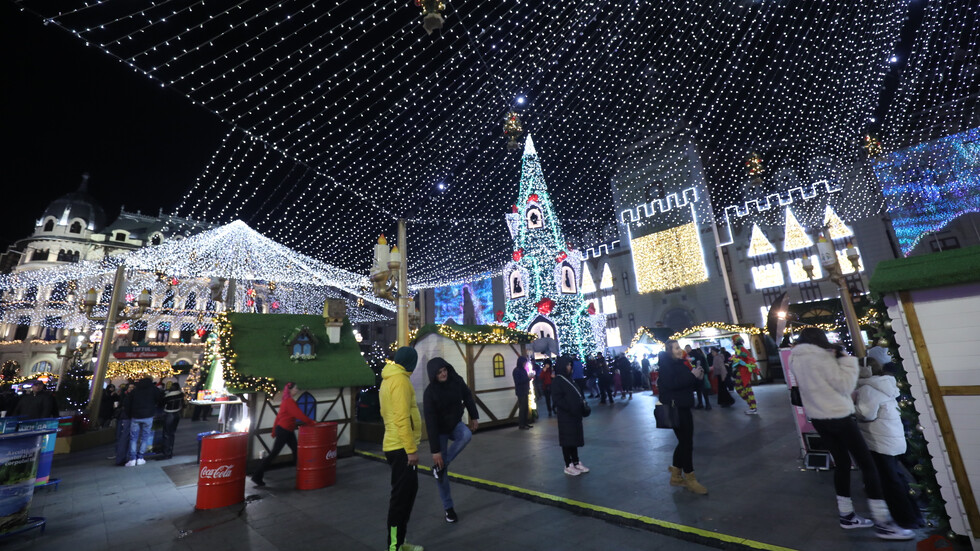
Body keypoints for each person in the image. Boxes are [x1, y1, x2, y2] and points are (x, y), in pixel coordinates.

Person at [790, 328, 913, 540]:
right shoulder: (822, 358)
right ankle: (884, 523)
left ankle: (846, 514)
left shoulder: (796, 358)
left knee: (842, 464)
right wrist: (846, 361)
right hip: (839, 417)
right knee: (868, 465)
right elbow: (845, 386)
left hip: (819, 419)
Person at [855, 351, 924, 529]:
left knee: (890, 482)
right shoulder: (886, 384)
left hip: (879, 442)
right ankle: (914, 515)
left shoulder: (867, 389)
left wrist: (851, 407)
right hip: (893, 438)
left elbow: (866, 414)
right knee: (898, 478)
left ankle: (904, 519)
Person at [423, 357, 479, 524]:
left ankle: (441, 466)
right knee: (442, 474)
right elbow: (431, 423)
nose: (443, 374)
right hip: (439, 431)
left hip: (455, 424)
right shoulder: (429, 393)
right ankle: (449, 508)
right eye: (439, 372)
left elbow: (468, 396)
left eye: (444, 370)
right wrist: (435, 452)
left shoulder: (456, 380)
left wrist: (474, 416)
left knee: (466, 435)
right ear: (434, 375)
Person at [380, 347, 424, 551]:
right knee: (401, 500)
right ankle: (395, 546)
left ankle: (399, 543)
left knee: (406, 494)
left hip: (395, 445)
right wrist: (410, 449)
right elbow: (401, 417)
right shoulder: (400, 381)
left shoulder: (390, 378)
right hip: (400, 447)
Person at [658, 340, 707, 495]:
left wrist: (697, 378)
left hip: (684, 406)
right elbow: (672, 384)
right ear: (669, 351)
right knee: (687, 443)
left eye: (679, 347)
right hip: (675, 408)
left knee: (684, 442)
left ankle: (676, 476)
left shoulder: (680, 363)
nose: (680, 350)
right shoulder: (666, 365)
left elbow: (687, 384)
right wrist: (691, 376)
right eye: (676, 348)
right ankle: (690, 478)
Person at [251, 381, 316, 486]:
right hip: (285, 430)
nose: (297, 390)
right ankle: (257, 476)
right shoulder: (289, 402)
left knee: (296, 450)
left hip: (285, 429)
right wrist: (311, 421)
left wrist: (274, 430)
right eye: (295, 388)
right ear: (290, 390)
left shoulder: (286, 401)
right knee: (275, 453)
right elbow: (299, 414)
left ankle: (302, 472)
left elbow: (279, 417)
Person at [551, 356, 589, 476]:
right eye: (567, 365)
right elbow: (557, 399)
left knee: (573, 439)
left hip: (574, 415)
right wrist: (570, 407)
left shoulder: (569, 379)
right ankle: (568, 465)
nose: (570, 367)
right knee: (567, 440)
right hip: (566, 416)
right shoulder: (558, 380)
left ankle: (576, 461)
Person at [124, 376, 163, 466]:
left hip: (135, 417)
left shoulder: (135, 390)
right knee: (145, 437)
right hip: (148, 416)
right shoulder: (154, 389)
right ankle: (140, 457)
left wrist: (130, 414)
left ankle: (132, 459)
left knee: (133, 438)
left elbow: (127, 403)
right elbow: (160, 399)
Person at [731, 336, 760, 414]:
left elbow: (745, 357)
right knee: (743, 388)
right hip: (742, 371)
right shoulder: (740, 349)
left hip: (743, 371)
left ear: (735, 341)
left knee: (745, 388)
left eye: (732, 341)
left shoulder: (741, 349)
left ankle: (752, 405)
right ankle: (752, 402)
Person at [160, 381, 184, 460]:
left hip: (169, 414)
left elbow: (161, 403)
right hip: (177, 414)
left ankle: (166, 453)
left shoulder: (168, 396)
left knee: (166, 434)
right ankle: (170, 452)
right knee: (172, 434)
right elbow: (183, 405)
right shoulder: (181, 395)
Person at [114, 383, 133, 466]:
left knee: (123, 437)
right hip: (126, 418)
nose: (131, 389)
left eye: (132, 387)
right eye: (130, 387)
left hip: (125, 417)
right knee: (124, 437)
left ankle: (121, 456)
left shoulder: (127, 396)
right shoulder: (126, 396)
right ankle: (121, 457)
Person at [512, 357, 532, 429]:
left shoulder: (522, 370)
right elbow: (518, 382)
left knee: (525, 408)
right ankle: (521, 424)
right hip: (521, 391)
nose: (525, 364)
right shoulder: (516, 371)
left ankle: (525, 423)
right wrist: (528, 378)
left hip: (524, 390)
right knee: (522, 408)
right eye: (524, 362)